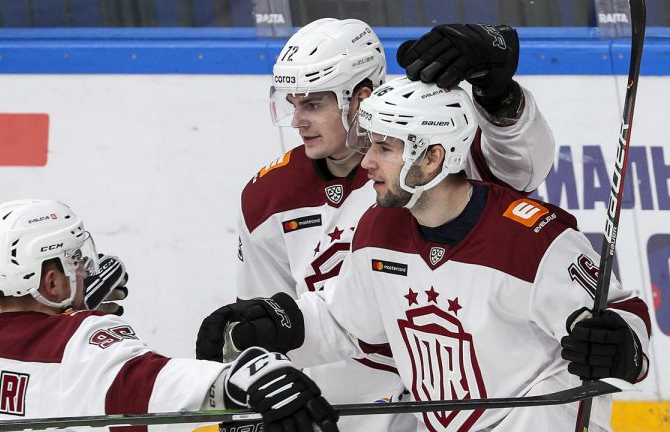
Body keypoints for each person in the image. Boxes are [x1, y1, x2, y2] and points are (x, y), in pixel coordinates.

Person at [197, 78, 652, 431]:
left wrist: (621, 345)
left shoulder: (531, 239)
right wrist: (279, 321)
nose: (368, 162)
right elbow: (347, 322)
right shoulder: (379, 227)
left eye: (385, 148)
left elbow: (620, 310)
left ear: (433, 157)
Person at [198, 20, 557, 432]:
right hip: (342, 410)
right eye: (293, 104)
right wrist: (256, 400)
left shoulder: (428, 156)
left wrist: (499, 96)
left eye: (313, 104)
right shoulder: (267, 198)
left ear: (360, 97)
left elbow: (523, 167)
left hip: (452, 397)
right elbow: (269, 317)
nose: (297, 121)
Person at [0, 199, 339, 432]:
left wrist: (69, 303)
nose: (86, 269)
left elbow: (36, 349)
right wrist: (247, 374)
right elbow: (155, 385)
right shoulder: (83, 341)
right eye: (76, 263)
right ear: (51, 283)